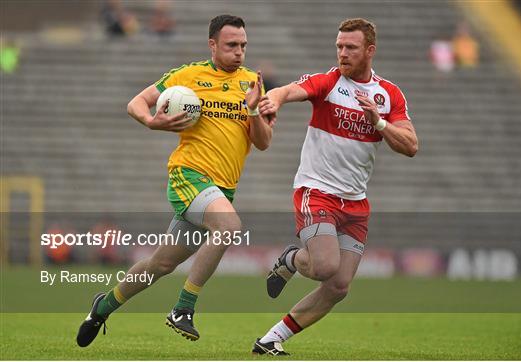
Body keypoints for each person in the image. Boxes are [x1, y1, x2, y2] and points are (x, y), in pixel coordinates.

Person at [76, 14, 274, 347]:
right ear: (212, 45)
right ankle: (183, 308)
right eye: (231, 45)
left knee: (161, 264)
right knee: (228, 226)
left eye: (243, 45)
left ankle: (103, 305)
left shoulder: (252, 82)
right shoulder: (188, 75)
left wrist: (253, 110)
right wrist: (152, 122)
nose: (239, 52)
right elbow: (136, 103)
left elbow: (264, 142)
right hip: (188, 175)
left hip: (222, 188)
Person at [252, 18, 418, 356]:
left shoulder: (389, 95)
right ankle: (292, 259)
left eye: (351, 47)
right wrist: (273, 100)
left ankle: (271, 338)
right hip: (316, 191)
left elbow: (411, 145)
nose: (342, 53)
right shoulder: (328, 82)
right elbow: (288, 90)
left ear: (370, 50)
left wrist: (379, 123)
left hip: (355, 202)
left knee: (339, 285)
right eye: (339, 46)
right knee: (324, 266)